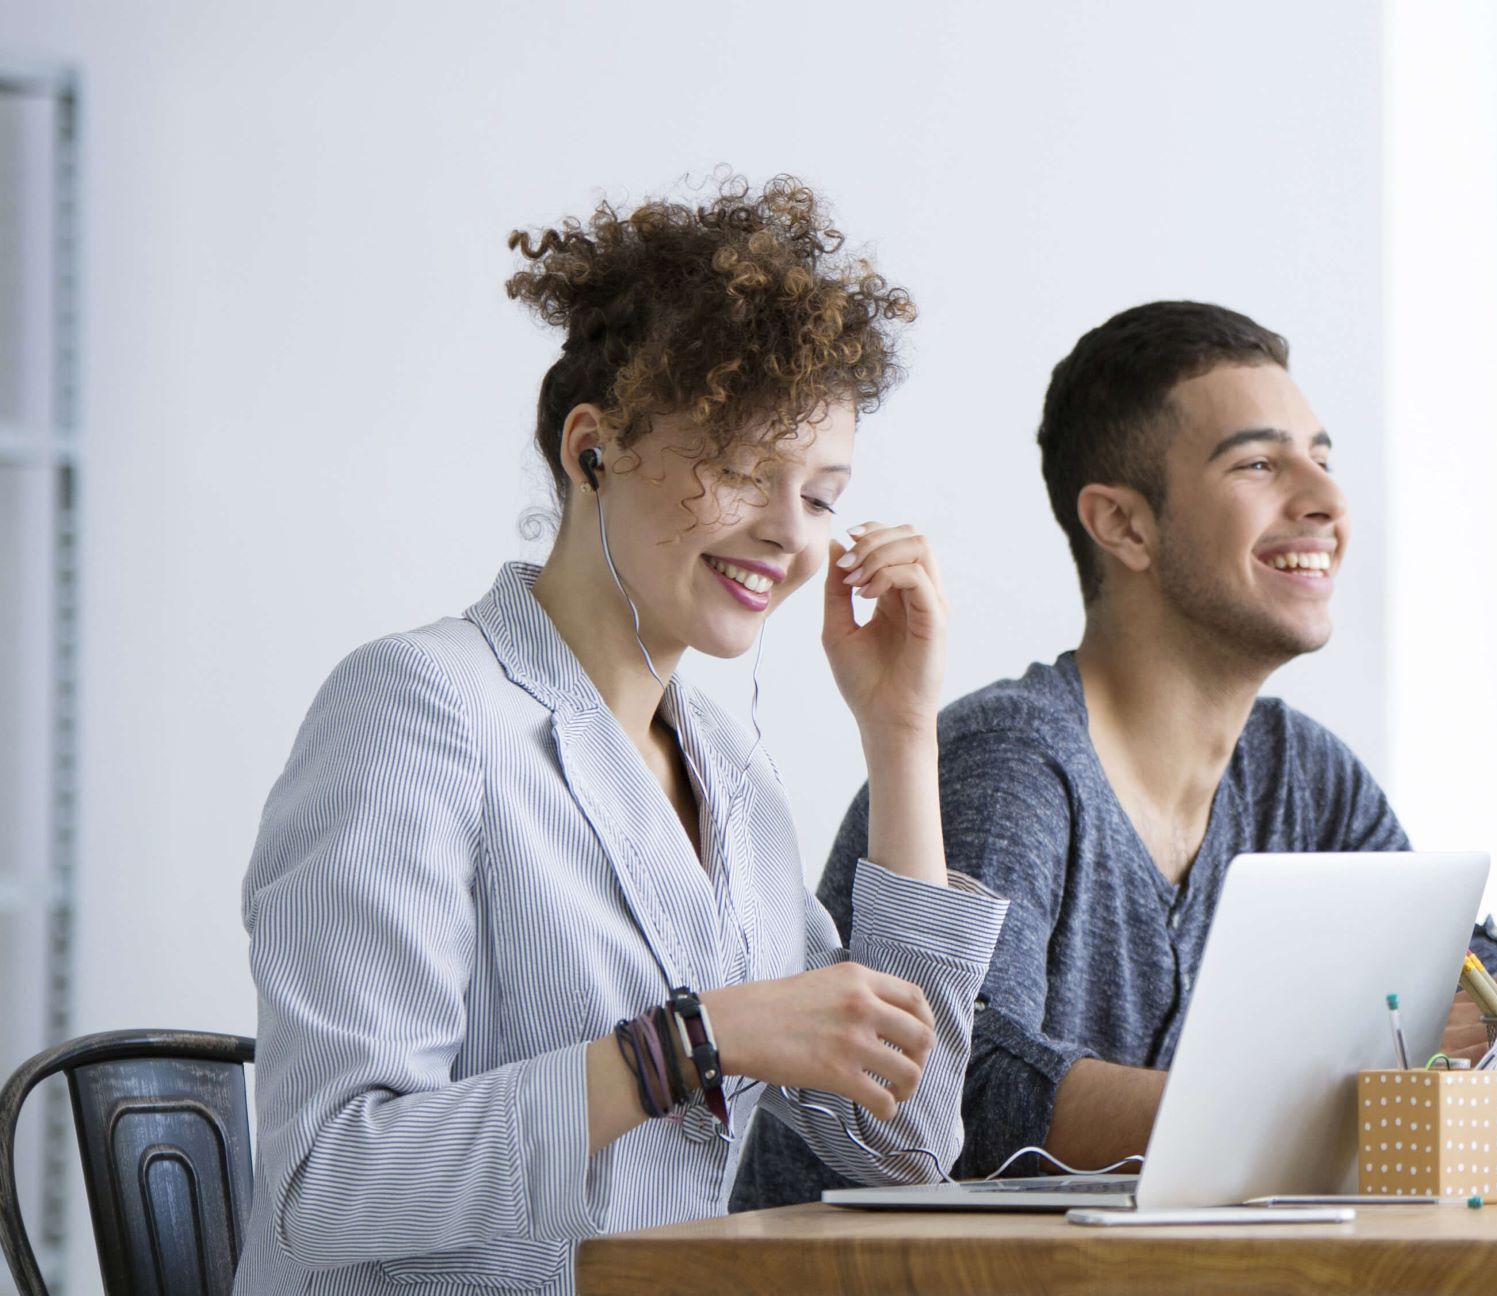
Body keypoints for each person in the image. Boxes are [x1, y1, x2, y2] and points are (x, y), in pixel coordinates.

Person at [238, 176, 1003, 1294]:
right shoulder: (415, 709)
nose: (791, 538)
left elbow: (903, 1141)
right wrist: (691, 1043)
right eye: (743, 470)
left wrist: (900, 733)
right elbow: (328, 1185)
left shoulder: (729, 776)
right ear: (592, 450)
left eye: (824, 494)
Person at [733, 302, 1497, 1205]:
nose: (1328, 500)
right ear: (1124, 526)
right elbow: (961, 1092)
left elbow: (1452, 1004)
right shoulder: (1007, 764)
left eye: (1324, 460)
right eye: (1260, 462)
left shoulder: (1305, 776)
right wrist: (1336, 1101)